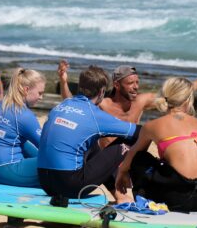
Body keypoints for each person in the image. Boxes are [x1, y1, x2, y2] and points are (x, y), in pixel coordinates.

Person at [58, 60, 197, 147]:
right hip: (110, 159)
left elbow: (176, 94)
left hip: (133, 157)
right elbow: (71, 103)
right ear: (116, 85)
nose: (136, 87)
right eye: (131, 83)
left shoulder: (141, 101)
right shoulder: (104, 104)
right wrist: (63, 81)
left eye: (137, 82)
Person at [115, 77, 197, 212]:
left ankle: (145, 199)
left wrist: (121, 172)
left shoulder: (153, 125)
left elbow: (133, 155)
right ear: (188, 100)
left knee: (140, 157)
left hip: (177, 200)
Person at [38, 65, 138, 205]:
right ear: (102, 91)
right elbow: (138, 132)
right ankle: (131, 192)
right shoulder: (94, 114)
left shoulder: (61, 105)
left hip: (44, 181)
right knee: (124, 143)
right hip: (69, 186)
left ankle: (119, 196)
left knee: (92, 144)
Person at [0, 68, 45, 187]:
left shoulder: (0, 105)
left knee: (23, 142)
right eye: (40, 93)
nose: (41, 98)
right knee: (55, 162)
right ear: (26, 90)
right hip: (5, 170)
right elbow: (46, 147)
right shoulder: (24, 114)